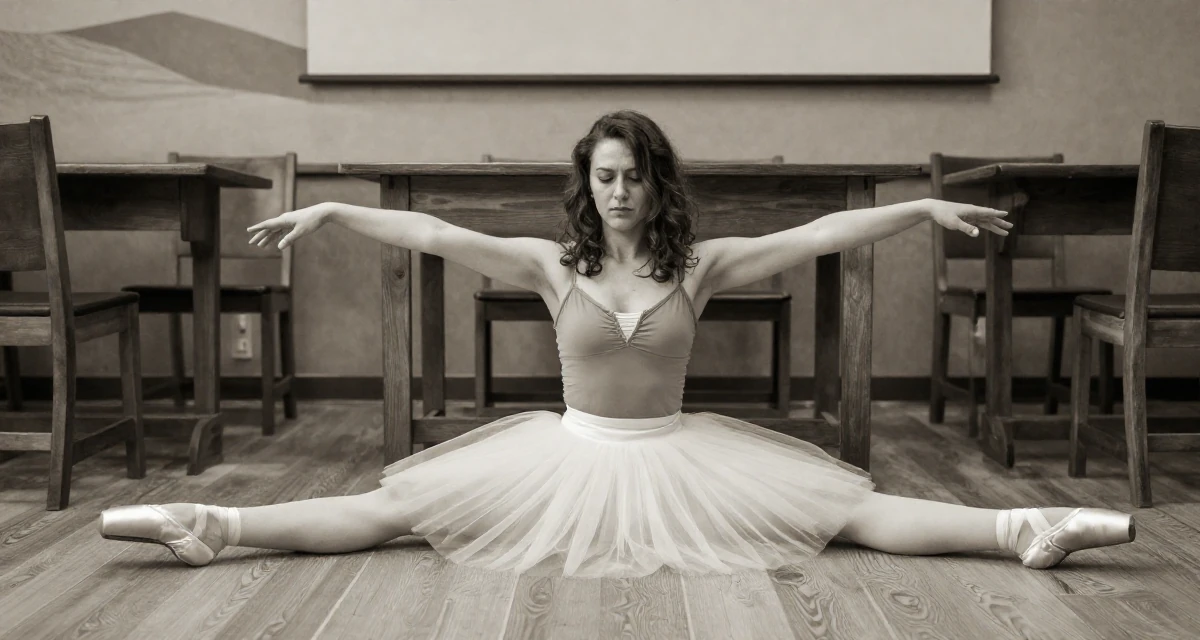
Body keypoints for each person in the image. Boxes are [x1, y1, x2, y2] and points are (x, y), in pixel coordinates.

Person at [99, 110, 1134, 578]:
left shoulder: (702, 265)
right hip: (567, 453)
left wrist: (920, 209)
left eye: (635, 174)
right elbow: (432, 232)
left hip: (680, 452)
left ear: (656, 183)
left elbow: (817, 234)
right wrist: (329, 208)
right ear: (586, 185)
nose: (621, 190)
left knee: (849, 513)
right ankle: (211, 523)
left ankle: (1026, 528)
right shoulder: (554, 266)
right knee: (393, 511)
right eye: (605, 176)